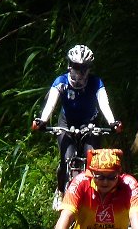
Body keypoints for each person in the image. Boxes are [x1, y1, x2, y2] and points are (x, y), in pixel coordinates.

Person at [33, 45, 122, 209]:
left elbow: (104, 103)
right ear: (69, 65)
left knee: (92, 159)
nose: (79, 71)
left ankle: (94, 198)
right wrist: (42, 121)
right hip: (66, 123)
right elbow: (51, 103)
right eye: (75, 66)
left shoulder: (96, 83)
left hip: (90, 123)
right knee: (66, 157)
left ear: (89, 68)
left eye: (83, 67)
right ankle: (61, 191)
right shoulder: (61, 82)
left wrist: (112, 122)